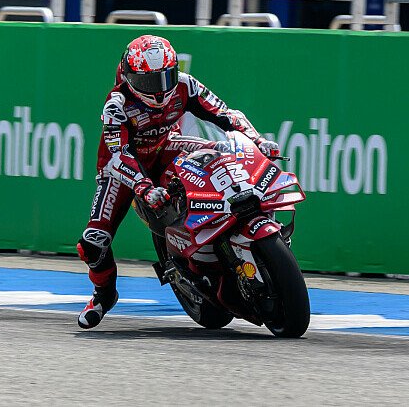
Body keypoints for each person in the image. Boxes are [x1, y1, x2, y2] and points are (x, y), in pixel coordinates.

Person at [77, 34, 281, 329]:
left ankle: (234, 224)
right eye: (150, 83)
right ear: (131, 77)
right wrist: (144, 186)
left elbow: (225, 114)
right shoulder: (117, 105)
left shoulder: (184, 85)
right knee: (93, 243)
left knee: (219, 152)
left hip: (166, 148)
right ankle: (103, 295)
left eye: (166, 77)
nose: (160, 91)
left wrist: (257, 139)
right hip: (123, 169)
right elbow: (118, 154)